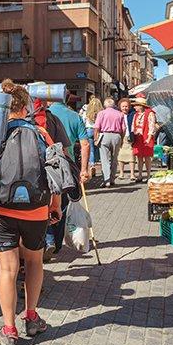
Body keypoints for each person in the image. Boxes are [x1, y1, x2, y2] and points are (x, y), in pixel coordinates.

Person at [0, 84, 60, 345]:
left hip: (2, 211)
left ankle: (9, 330)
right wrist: (55, 206)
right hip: (37, 210)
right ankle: (31, 317)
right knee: (34, 263)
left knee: (7, 270)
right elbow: (56, 173)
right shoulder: (41, 134)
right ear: (25, 107)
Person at [47, 96, 90, 258]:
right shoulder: (74, 116)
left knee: (46, 204)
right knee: (62, 205)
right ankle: (57, 243)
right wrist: (83, 169)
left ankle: (48, 239)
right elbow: (85, 144)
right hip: (66, 169)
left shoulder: (45, 115)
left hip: (46, 167)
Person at [93, 98, 126, 187]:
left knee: (105, 159)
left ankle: (106, 180)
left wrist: (96, 138)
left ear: (105, 105)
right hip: (117, 136)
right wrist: (122, 139)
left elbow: (96, 127)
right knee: (114, 159)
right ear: (114, 105)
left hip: (104, 136)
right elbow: (124, 129)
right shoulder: (120, 114)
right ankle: (112, 179)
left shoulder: (101, 113)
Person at [132, 97, 157, 182]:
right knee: (139, 157)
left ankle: (148, 175)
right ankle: (139, 175)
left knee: (147, 157)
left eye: (136, 105)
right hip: (138, 137)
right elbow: (133, 126)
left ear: (141, 106)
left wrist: (149, 138)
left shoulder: (150, 114)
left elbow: (151, 126)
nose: (134, 107)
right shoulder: (136, 115)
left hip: (146, 137)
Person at [80, 95, 102, 173]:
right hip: (98, 130)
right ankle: (97, 161)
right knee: (98, 148)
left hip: (88, 130)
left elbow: (82, 120)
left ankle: (92, 164)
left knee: (91, 149)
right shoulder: (101, 112)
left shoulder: (86, 111)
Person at [116, 98, 136, 181]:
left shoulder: (132, 114)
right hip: (121, 137)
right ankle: (121, 173)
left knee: (131, 156)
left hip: (130, 136)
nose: (125, 108)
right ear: (120, 107)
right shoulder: (117, 115)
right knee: (120, 155)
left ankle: (132, 174)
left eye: (126, 106)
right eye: (123, 106)